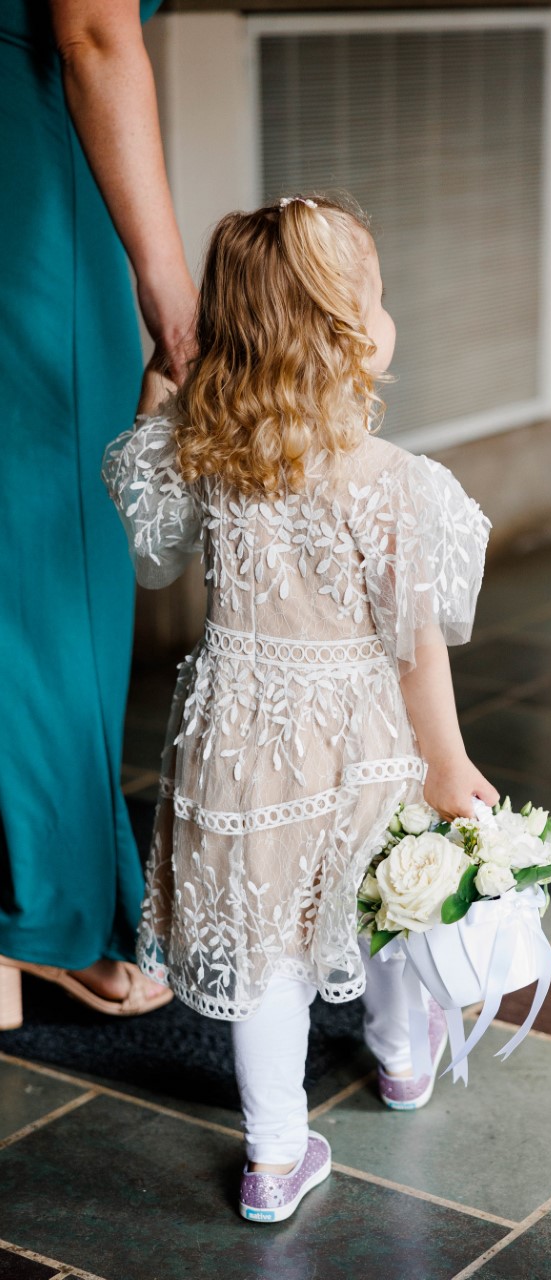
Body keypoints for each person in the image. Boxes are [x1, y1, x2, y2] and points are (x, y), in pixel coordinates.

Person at [102, 195, 499, 1222]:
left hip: (239, 737)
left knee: (268, 936)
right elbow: (417, 652)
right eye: (378, 293)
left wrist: (160, 391)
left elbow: (153, 559)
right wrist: (447, 767)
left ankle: (275, 1153)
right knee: (383, 900)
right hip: (365, 739)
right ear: (350, 330)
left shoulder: (206, 450)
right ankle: (402, 1056)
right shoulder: (396, 483)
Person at [0, 0, 195, 1025]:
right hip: (24, 155)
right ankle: (47, 907)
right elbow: (93, 30)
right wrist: (170, 298)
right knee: (48, 548)